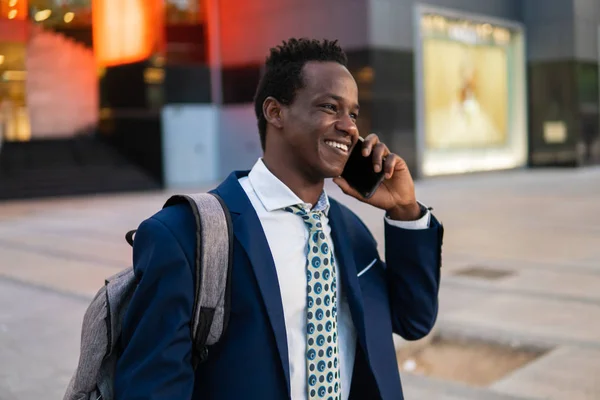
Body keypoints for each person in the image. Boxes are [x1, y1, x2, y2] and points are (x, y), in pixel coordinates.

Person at [115, 38, 443, 400]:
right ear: (275, 113)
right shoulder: (184, 235)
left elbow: (413, 321)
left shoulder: (349, 231)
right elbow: (151, 388)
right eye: (330, 107)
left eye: (352, 113)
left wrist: (404, 210)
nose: (349, 127)